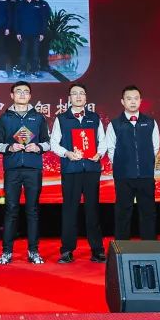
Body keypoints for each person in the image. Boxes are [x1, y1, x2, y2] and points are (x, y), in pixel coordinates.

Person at [50, 83, 106, 262]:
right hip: (71, 169)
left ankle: (97, 250)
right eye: (75, 94)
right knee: (70, 210)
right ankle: (67, 250)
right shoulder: (62, 119)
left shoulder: (94, 118)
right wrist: (67, 153)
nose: (79, 96)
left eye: (82, 93)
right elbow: (53, 143)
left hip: (91, 169)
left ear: (86, 98)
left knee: (92, 210)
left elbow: (103, 140)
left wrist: (99, 153)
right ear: (69, 98)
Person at [0, 81, 50, 265]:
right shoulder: (4, 118)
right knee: (11, 210)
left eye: (25, 92)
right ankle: (6, 252)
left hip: (33, 169)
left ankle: (33, 251)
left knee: (32, 210)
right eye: (18, 91)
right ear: (11, 95)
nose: (22, 94)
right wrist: (10, 147)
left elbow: (48, 143)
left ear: (30, 96)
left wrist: (38, 147)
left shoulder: (39, 118)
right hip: (12, 170)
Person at [106, 85, 160, 240]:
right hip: (123, 176)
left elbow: (155, 147)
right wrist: (122, 165)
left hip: (145, 175)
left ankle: (149, 245)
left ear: (141, 101)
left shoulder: (150, 122)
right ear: (122, 101)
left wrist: (145, 163)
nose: (133, 101)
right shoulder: (115, 124)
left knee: (148, 212)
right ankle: (122, 246)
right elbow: (111, 149)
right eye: (129, 99)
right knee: (123, 212)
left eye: (136, 98)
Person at [14, 0, 46, 77]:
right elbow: (16, 20)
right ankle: (22, 70)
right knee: (23, 53)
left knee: (35, 53)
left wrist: (42, 33)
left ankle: (34, 71)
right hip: (23, 34)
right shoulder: (19, 4)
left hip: (36, 34)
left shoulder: (38, 5)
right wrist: (18, 32)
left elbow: (42, 20)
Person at [33, 0, 53, 72]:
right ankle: (34, 66)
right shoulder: (30, 3)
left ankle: (44, 65)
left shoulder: (44, 3)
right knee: (35, 49)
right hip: (34, 30)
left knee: (45, 49)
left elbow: (48, 15)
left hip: (44, 30)